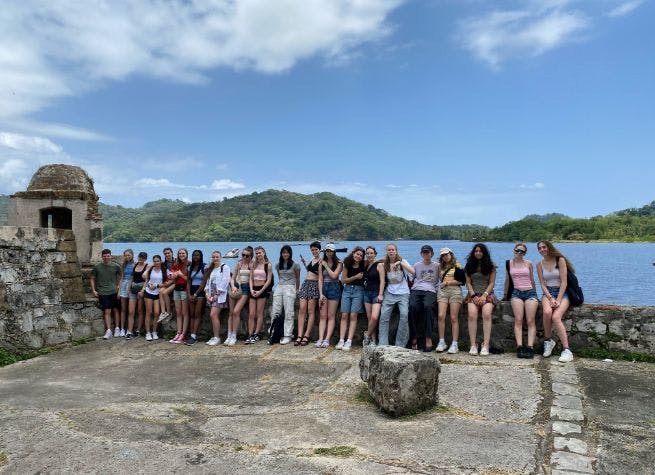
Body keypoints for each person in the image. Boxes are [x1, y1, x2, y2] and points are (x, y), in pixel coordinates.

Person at [536, 240, 575, 363]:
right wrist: (550, 298)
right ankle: (548, 341)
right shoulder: (539, 264)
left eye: (544, 247)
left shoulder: (560, 260)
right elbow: (542, 284)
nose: (542, 250)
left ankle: (567, 350)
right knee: (547, 312)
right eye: (540, 248)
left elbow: (564, 282)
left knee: (556, 317)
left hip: (562, 293)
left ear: (549, 247)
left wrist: (558, 299)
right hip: (548, 293)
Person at [504, 243, 538, 358]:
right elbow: (507, 280)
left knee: (530, 320)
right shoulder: (509, 263)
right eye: (518, 250)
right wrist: (505, 295)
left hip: (529, 292)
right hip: (516, 293)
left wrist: (535, 294)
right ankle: (519, 347)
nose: (519, 253)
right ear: (514, 250)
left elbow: (532, 279)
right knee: (518, 319)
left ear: (525, 253)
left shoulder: (528, 263)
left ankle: (530, 347)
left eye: (522, 251)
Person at [378, 243, 414, 347]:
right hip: (389, 293)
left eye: (393, 250)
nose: (391, 251)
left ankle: (400, 344)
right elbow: (382, 281)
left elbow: (413, 272)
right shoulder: (384, 264)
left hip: (403, 293)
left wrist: (401, 263)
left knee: (404, 315)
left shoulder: (403, 261)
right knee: (384, 317)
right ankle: (383, 344)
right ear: (387, 251)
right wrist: (380, 295)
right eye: (389, 250)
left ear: (396, 251)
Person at [464, 243, 497, 356]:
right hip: (473, 294)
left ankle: (485, 344)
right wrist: (473, 296)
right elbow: (468, 283)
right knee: (472, 314)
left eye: (480, 251)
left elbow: (492, 282)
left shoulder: (491, 266)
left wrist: (484, 295)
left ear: (484, 252)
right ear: (473, 252)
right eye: (476, 251)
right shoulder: (469, 265)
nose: (478, 253)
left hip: (487, 294)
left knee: (487, 314)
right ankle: (473, 345)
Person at [409, 245, 439, 352]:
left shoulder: (437, 266)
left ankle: (428, 338)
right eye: (424, 252)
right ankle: (414, 337)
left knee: (428, 307)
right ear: (421, 254)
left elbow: (446, 273)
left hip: (430, 290)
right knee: (412, 307)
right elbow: (411, 278)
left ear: (432, 253)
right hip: (416, 289)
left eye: (428, 252)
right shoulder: (417, 265)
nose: (426, 254)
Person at [436, 247, 465, 354]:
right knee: (441, 315)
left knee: (453, 317)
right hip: (443, 292)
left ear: (451, 254)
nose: (445, 256)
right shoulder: (440, 266)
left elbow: (461, 281)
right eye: (443, 255)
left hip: (455, 291)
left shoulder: (457, 266)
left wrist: (448, 283)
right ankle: (441, 341)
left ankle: (454, 343)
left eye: (447, 254)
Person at [336, 246, 365, 350]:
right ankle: (341, 340)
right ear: (353, 253)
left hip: (359, 291)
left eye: (361, 255)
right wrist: (356, 277)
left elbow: (376, 260)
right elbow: (343, 280)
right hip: (347, 290)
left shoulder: (363, 264)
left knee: (353, 315)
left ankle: (349, 341)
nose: (359, 256)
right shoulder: (347, 264)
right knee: (344, 315)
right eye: (357, 254)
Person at [270, 245, 300, 345]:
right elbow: (279, 276)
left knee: (289, 312)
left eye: (287, 252)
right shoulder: (278, 265)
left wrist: (297, 290)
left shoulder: (295, 265)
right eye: (283, 252)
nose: (285, 254)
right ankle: (274, 332)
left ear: (290, 253)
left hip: (290, 287)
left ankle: (288, 334)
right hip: (280, 286)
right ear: (281, 254)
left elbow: (297, 278)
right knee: (275, 311)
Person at [90, 249, 122, 340]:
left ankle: (117, 328)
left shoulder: (116, 266)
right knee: (107, 311)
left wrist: (118, 285)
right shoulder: (97, 267)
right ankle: (108, 331)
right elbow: (92, 278)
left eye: (108, 256)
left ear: (111, 256)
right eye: (104, 256)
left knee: (116, 310)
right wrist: (93, 290)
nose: (106, 257)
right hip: (103, 292)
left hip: (114, 291)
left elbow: (121, 275)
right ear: (102, 257)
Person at [317, 243, 344, 348]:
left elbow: (334, 275)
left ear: (334, 252)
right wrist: (320, 294)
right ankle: (320, 338)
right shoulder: (321, 263)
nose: (329, 253)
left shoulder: (339, 263)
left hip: (334, 288)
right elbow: (320, 279)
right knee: (323, 316)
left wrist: (325, 265)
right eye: (327, 251)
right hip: (324, 288)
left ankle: (327, 339)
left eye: (331, 251)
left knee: (331, 316)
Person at [296, 241, 322, 346]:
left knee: (311, 311)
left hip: (314, 285)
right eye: (312, 250)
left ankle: (306, 335)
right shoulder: (312, 259)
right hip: (306, 284)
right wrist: (304, 263)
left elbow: (320, 276)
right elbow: (310, 271)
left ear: (320, 250)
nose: (314, 251)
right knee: (302, 309)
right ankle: (299, 335)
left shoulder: (321, 261)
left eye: (316, 249)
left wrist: (321, 293)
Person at [226, 246, 253, 346]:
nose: (245, 257)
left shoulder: (252, 265)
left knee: (236, 312)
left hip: (245, 289)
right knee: (231, 313)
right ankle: (229, 335)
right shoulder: (239, 264)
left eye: (247, 255)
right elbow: (232, 278)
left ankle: (234, 335)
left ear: (251, 255)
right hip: (236, 287)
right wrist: (232, 286)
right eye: (243, 255)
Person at [247, 246, 273, 344]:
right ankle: (250, 334)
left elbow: (268, 280)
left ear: (264, 253)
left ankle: (256, 334)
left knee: (259, 313)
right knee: (251, 314)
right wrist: (251, 289)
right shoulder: (253, 264)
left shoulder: (268, 265)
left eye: (260, 253)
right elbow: (250, 278)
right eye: (257, 253)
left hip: (262, 289)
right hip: (253, 289)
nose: (258, 255)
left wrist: (261, 291)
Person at [204, 251, 231, 346]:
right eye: (213, 257)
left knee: (213, 315)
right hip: (211, 293)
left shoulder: (225, 267)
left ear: (220, 257)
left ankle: (217, 337)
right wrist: (207, 294)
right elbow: (208, 282)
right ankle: (215, 336)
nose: (215, 259)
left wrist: (217, 294)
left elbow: (225, 281)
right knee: (213, 316)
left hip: (220, 295)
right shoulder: (211, 268)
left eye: (217, 257)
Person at [362, 246, 385, 347]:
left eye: (371, 253)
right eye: (367, 253)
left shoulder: (379, 265)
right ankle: (373, 340)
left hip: (376, 294)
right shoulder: (366, 264)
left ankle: (367, 335)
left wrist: (380, 294)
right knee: (369, 318)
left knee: (374, 317)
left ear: (375, 254)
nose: (369, 255)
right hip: (367, 293)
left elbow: (382, 281)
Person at [168, 248, 190, 344]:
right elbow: (172, 277)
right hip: (177, 288)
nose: (181, 255)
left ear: (186, 254)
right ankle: (178, 332)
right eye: (180, 253)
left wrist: (180, 274)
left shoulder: (189, 264)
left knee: (185, 313)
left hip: (185, 289)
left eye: (183, 253)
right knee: (178, 313)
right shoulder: (176, 264)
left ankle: (183, 335)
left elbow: (189, 279)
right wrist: (171, 276)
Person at [125, 251, 149, 339]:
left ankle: (138, 330)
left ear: (145, 258)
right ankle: (129, 331)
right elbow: (131, 278)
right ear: (138, 257)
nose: (141, 258)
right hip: (133, 289)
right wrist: (128, 289)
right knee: (131, 311)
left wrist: (143, 290)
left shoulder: (147, 266)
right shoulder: (134, 265)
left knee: (140, 311)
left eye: (143, 257)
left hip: (141, 290)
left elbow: (147, 280)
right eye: (140, 257)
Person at [186, 250, 207, 345]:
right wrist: (189, 294)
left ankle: (194, 335)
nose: (196, 257)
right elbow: (189, 282)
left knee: (197, 314)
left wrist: (195, 294)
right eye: (194, 255)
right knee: (192, 314)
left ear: (201, 256)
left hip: (200, 292)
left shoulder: (204, 267)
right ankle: (191, 334)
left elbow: (203, 283)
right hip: (191, 291)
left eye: (198, 255)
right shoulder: (190, 267)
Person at [142, 255, 164, 341]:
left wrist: (156, 285)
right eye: (154, 261)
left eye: (158, 261)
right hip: (149, 292)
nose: (156, 263)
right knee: (149, 312)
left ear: (160, 261)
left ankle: (154, 332)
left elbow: (166, 281)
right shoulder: (151, 269)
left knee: (156, 313)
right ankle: (148, 333)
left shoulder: (164, 270)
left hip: (158, 293)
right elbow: (144, 277)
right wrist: (149, 267)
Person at [117, 249, 135, 337]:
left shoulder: (135, 265)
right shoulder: (124, 265)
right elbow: (122, 277)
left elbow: (133, 277)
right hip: (124, 285)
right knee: (123, 309)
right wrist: (119, 290)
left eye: (129, 255)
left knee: (131, 310)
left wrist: (129, 288)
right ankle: (122, 328)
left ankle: (129, 330)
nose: (127, 257)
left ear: (132, 255)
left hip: (131, 286)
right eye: (125, 255)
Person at [157, 247, 175, 323]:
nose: (167, 255)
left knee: (164, 292)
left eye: (168, 253)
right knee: (161, 291)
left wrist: (169, 283)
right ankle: (163, 312)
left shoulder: (176, 262)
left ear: (172, 253)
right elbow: (154, 266)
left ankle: (169, 312)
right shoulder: (164, 264)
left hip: (175, 282)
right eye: (165, 253)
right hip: (168, 282)